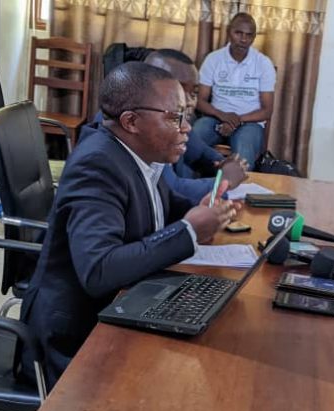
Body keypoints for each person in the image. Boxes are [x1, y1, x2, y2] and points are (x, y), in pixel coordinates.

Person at [20, 62, 239, 387]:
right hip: (75, 337)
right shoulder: (97, 164)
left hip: (121, 307)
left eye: (186, 116)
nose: (186, 128)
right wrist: (190, 231)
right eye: (174, 117)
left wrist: (202, 211)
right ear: (131, 121)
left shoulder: (137, 154)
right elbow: (98, 270)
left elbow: (162, 206)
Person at [88, 48, 249, 205]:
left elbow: (200, 153)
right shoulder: (130, 125)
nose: (188, 102)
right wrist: (224, 181)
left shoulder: (173, 120)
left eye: (193, 93)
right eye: (177, 89)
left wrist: (224, 164)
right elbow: (169, 191)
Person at [193, 12, 276, 169]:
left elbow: (267, 111)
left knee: (243, 150)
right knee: (192, 139)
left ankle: (236, 186)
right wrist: (222, 116)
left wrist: (237, 120)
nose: (243, 39)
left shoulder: (263, 63)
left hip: (249, 123)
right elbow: (200, 101)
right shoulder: (213, 59)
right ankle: (184, 184)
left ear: (254, 37)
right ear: (229, 32)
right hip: (216, 118)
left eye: (249, 35)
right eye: (238, 33)